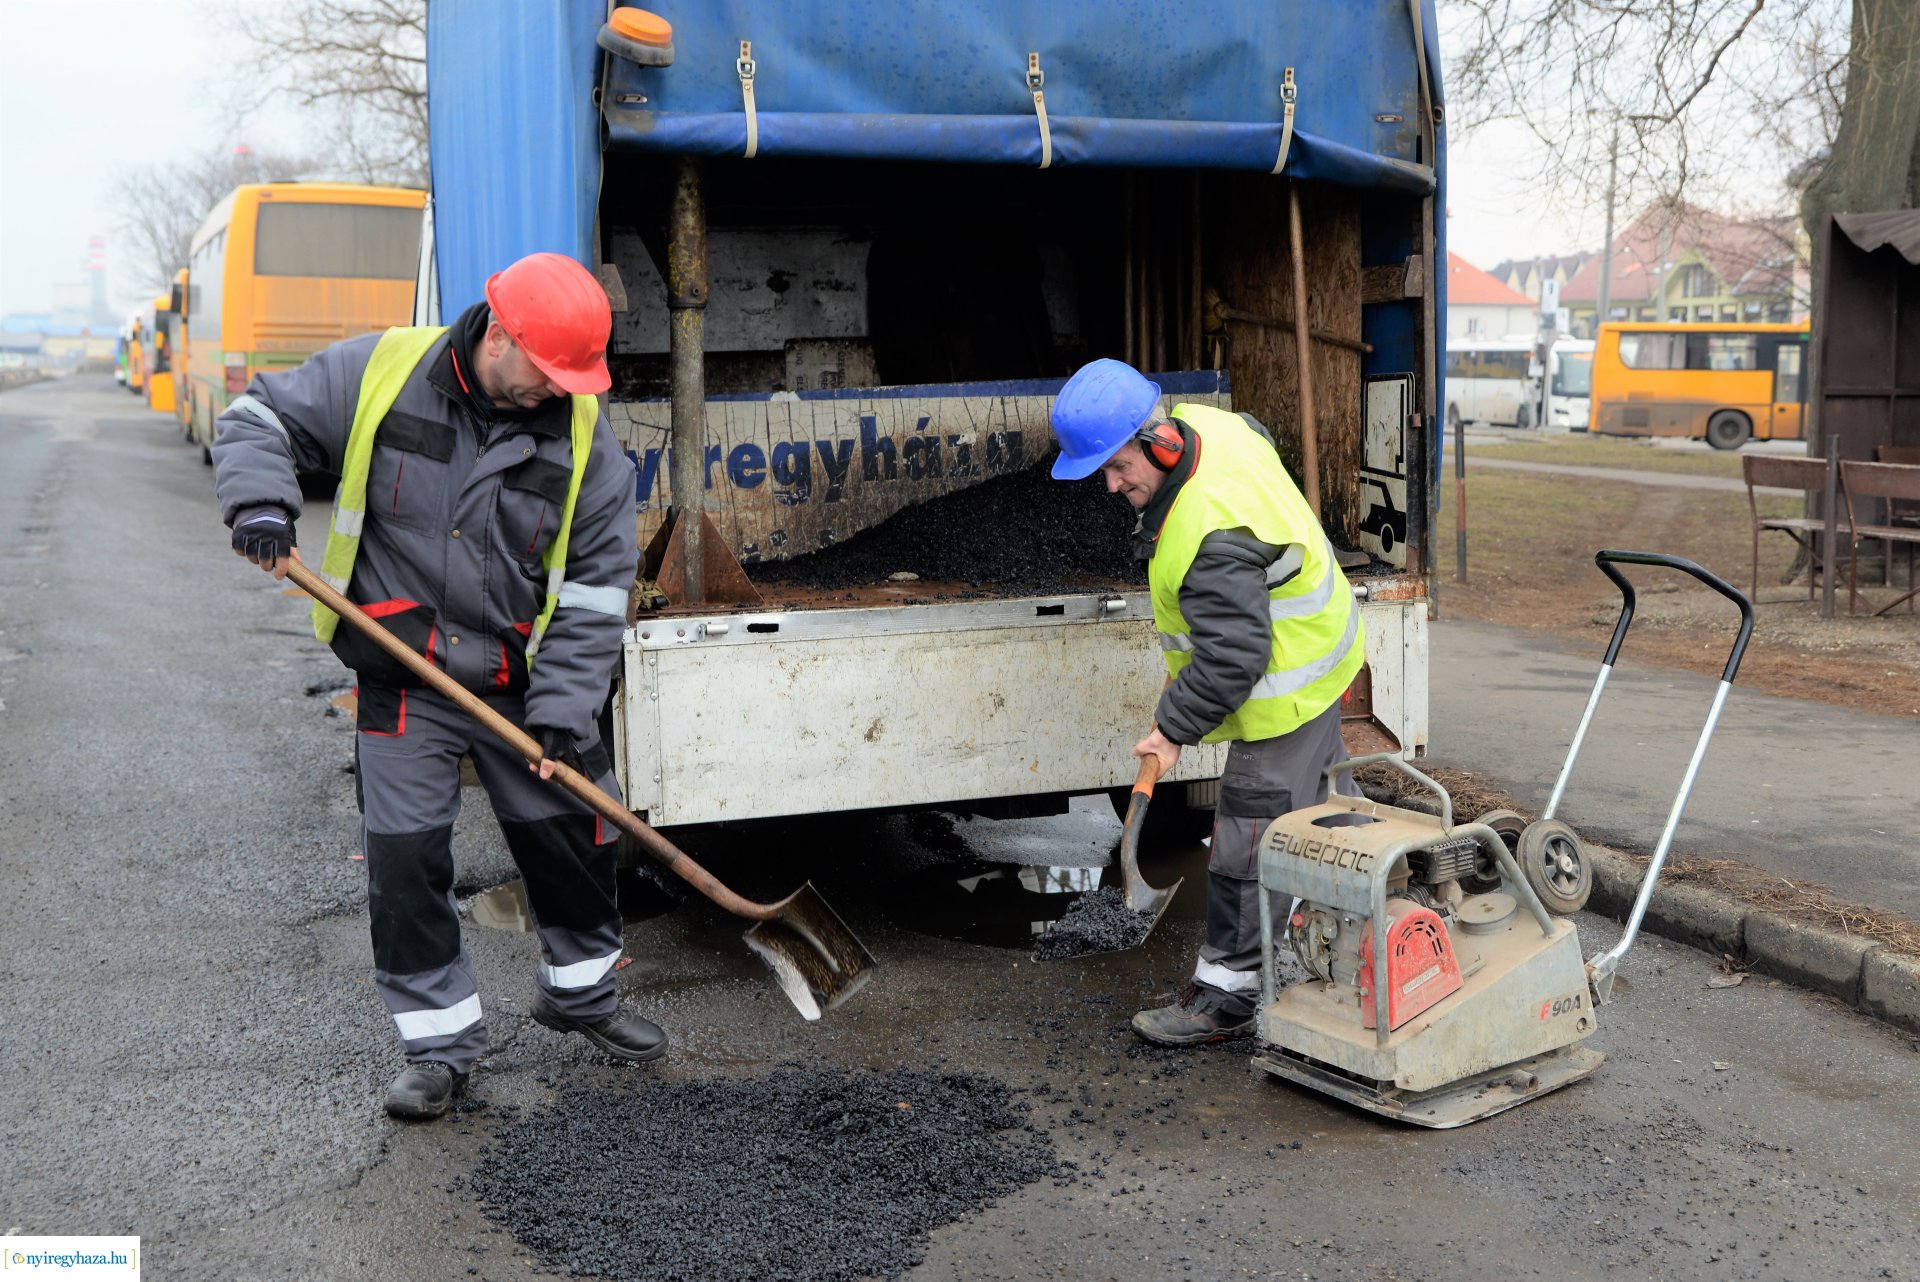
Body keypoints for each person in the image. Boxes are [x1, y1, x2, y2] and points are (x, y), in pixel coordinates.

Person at [213, 251, 663, 1119]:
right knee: (406, 860)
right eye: (549, 369)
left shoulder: (581, 434)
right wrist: (261, 505)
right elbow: (255, 414)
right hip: (403, 674)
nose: (560, 390)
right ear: (499, 333)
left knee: (578, 830)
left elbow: (601, 584)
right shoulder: (382, 372)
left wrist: (567, 711)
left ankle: (580, 994)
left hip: (517, 686)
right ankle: (438, 1046)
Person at [1049, 358, 1364, 1046]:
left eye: (1117, 466)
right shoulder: (1214, 427)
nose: (1111, 484)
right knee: (1325, 820)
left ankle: (1227, 997)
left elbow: (1234, 660)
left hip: (1286, 684)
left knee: (1245, 842)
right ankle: (1365, 940)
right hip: (1316, 646)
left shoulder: (1207, 534)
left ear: (1157, 441)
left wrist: (1170, 731)